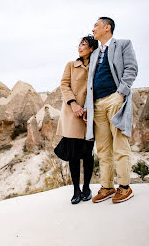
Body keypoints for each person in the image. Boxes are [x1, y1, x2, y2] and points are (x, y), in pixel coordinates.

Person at [83, 17, 138, 204]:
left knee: (120, 145)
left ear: (107, 28)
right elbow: (89, 82)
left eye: (96, 26)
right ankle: (107, 186)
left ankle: (124, 187)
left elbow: (131, 69)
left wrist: (120, 94)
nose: (93, 29)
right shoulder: (94, 53)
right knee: (103, 149)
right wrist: (86, 107)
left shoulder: (123, 44)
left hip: (115, 100)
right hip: (97, 104)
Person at [55, 35, 98, 204]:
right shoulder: (71, 65)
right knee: (73, 155)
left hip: (89, 114)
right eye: (79, 44)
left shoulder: (97, 66)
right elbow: (64, 85)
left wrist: (89, 107)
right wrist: (73, 104)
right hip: (73, 114)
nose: (80, 47)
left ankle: (87, 187)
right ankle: (76, 190)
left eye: (84, 45)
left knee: (87, 154)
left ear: (91, 49)